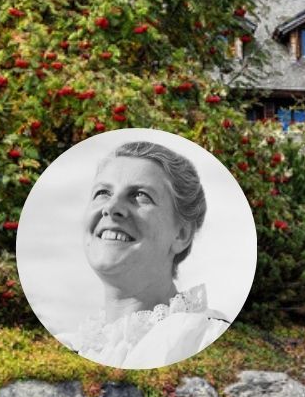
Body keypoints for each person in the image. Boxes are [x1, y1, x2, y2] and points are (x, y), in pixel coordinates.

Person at [60, 141, 230, 369]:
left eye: (140, 195)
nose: (111, 207)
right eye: (103, 193)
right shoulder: (68, 346)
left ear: (181, 234)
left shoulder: (205, 338)